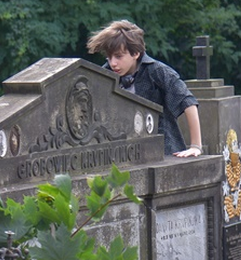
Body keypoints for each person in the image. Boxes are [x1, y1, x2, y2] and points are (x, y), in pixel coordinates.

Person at [87, 20, 203, 157]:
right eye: (109, 57)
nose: (113, 63)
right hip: (122, 152)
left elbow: (188, 102)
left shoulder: (157, 71)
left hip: (163, 151)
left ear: (135, 53)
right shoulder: (105, 74)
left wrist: (196, 146)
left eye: (118, 56)